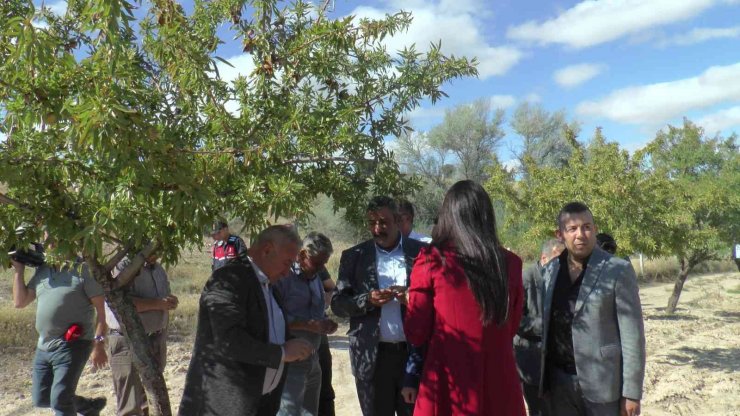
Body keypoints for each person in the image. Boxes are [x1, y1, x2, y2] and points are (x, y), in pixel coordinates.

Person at [403, 180, 526, 416]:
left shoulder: (431, 260)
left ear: (448, 215)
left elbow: (416, 331)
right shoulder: (511, 263)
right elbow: (511, 327)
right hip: (498, 375)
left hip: (449, 379)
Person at [179, 225, 314, 416]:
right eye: (286, 263)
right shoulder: (228, 279)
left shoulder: (268, 284)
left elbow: (265, 331)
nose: (287, 273)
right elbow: (228, 340)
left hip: (260, 404)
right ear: (267, 250)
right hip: (223, 407)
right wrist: (282, 352)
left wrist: (293, 342)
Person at [541, 202, 646, 416]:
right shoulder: (550, 271)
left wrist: (632, 393)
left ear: (595, 230)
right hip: (559, 383)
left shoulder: (618, 270)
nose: (580, 234)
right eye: (572, 229)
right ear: (560, 234)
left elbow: (633, 336)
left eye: (587, 227)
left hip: (603, 385)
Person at [331, 196, 427, 416]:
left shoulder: (421, 252)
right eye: (372, 223)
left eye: (383, 222)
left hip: (412, 358)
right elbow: (338, 304)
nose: (377, 229)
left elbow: (436, 299)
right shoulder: (354, 257)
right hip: (372, 360)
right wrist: (367, 300)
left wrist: (412, 298)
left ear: (398, 220)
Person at [11, 233, 108, 416]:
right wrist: (18, 270)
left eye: (53, 238)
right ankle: (88, 407)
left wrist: (99, 344)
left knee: (60, 401)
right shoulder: (44, 270)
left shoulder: (83, 270)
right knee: (42, 398)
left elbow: (102, 315)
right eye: (46, 240)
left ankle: (75, 406)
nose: (48, 244)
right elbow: (20, 302)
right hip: (44, 345)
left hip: (73, 343)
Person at [105, 254, 178, 416]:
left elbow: (163, 297)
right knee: (130, 406)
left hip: (156, 340)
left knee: (150, 400)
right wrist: (159, 303)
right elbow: (120, 303)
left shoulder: (158, 269)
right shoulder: (124, 267)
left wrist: (170, 302)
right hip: (128, 342)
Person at [275, 232, 339, 416]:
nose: (321, 268)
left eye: (324, 263)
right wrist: (306, 325)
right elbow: (272, 319)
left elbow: (317, 314)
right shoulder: (283, 278)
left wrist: (325, 324)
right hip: (290, 363)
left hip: (313, 360)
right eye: (317, 263)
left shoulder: (316, 279)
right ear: (302, 255)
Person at [515, 239, 564, 416]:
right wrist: (545, 326)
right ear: (544, 258)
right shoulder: (525, 278)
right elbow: (514, 320)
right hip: (531, 360)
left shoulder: (562, 279)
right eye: (558, 261)